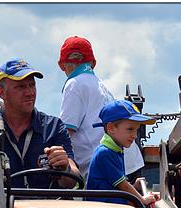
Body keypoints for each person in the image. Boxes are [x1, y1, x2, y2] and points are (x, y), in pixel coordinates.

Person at [57, 36, 144, 178]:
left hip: (107, 169)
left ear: (61, 65)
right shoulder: (100, 85)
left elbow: (66, 131)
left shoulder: (74, 85)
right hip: (128, 162)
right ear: (94, 63)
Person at [0, 57, 78, 189]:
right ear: (1, 92)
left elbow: (73, 179)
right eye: (21, 87)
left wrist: (65, 168)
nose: (30, 92)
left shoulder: (54, 126)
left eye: (32, 85)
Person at [87, 100, 159, 206]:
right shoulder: (105, 153)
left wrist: (134, 186)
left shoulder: (115, 150)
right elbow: (123, 185)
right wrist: (142, 200)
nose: (135, 135)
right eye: (130, 129)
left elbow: (117, 186)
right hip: (99, 206)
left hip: (109, 202)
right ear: (111, 128)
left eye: (136, 130)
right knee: (137, 206)